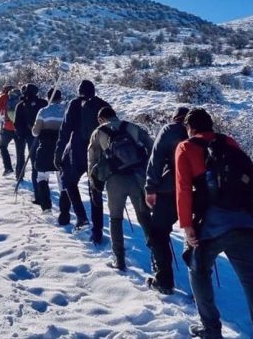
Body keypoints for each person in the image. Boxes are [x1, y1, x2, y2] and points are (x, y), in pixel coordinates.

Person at [175, 108, 253, 339]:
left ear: (190, 128)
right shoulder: (229, 141)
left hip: (211, 225)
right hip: (246, 220)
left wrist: (187, 225)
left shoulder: (186, 147)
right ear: (210, 125)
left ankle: (211, 330)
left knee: (198, 271)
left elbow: (183, 189)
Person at [88, 106, 154, 270]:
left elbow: (92, 159)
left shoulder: (99, 131)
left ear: (101, 119)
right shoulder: (132, 127)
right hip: (138, 178)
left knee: (115, 219)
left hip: (115, 180)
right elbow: (152, 147)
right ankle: (157, 259)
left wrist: (94, 183)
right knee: (144, 218)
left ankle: (119, 260)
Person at [54, 80, 110, 243]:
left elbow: (65, 130)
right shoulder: (102, 104)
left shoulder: (74, 104)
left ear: (79, 91)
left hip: (76, 151)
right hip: (97, 152)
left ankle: (81, 217)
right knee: (95, 190)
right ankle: (97, 232)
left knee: (69, 182)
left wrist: (58, 152)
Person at [144, 106, 189, 294]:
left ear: (175, 117)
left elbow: (156, 160)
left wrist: (150, 189)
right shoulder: (203, 133)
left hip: (170, 190)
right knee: (196, 237)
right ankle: (201, 286)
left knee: (158, 234)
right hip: (197, 191)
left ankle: (164, 280)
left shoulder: (169, 130)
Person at [31, 88, 65, 212]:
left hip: (45, 148)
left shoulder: (43, 111)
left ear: (48, 98)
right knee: (62, 180)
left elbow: (35, 132)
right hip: (61, 149)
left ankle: (46, 206)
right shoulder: (66, 111)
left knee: (41, 177)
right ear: (60, 98)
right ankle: (64, 209)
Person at [14, 83, 48, 198]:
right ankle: (39, 190)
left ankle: (36, 190)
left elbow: (17, 123)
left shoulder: (20, 105)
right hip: (40, 136)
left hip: (27, 136)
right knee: (37, 163)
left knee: (27, 159)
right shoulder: (43, 103)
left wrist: (20, 135)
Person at [0, 85, 18, 176]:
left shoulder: (3, 98)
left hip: (8, 127)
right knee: (20, 151)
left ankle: (8, 168)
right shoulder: (20, 97)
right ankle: (20, 174)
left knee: (2, 146)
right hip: (19, 128)